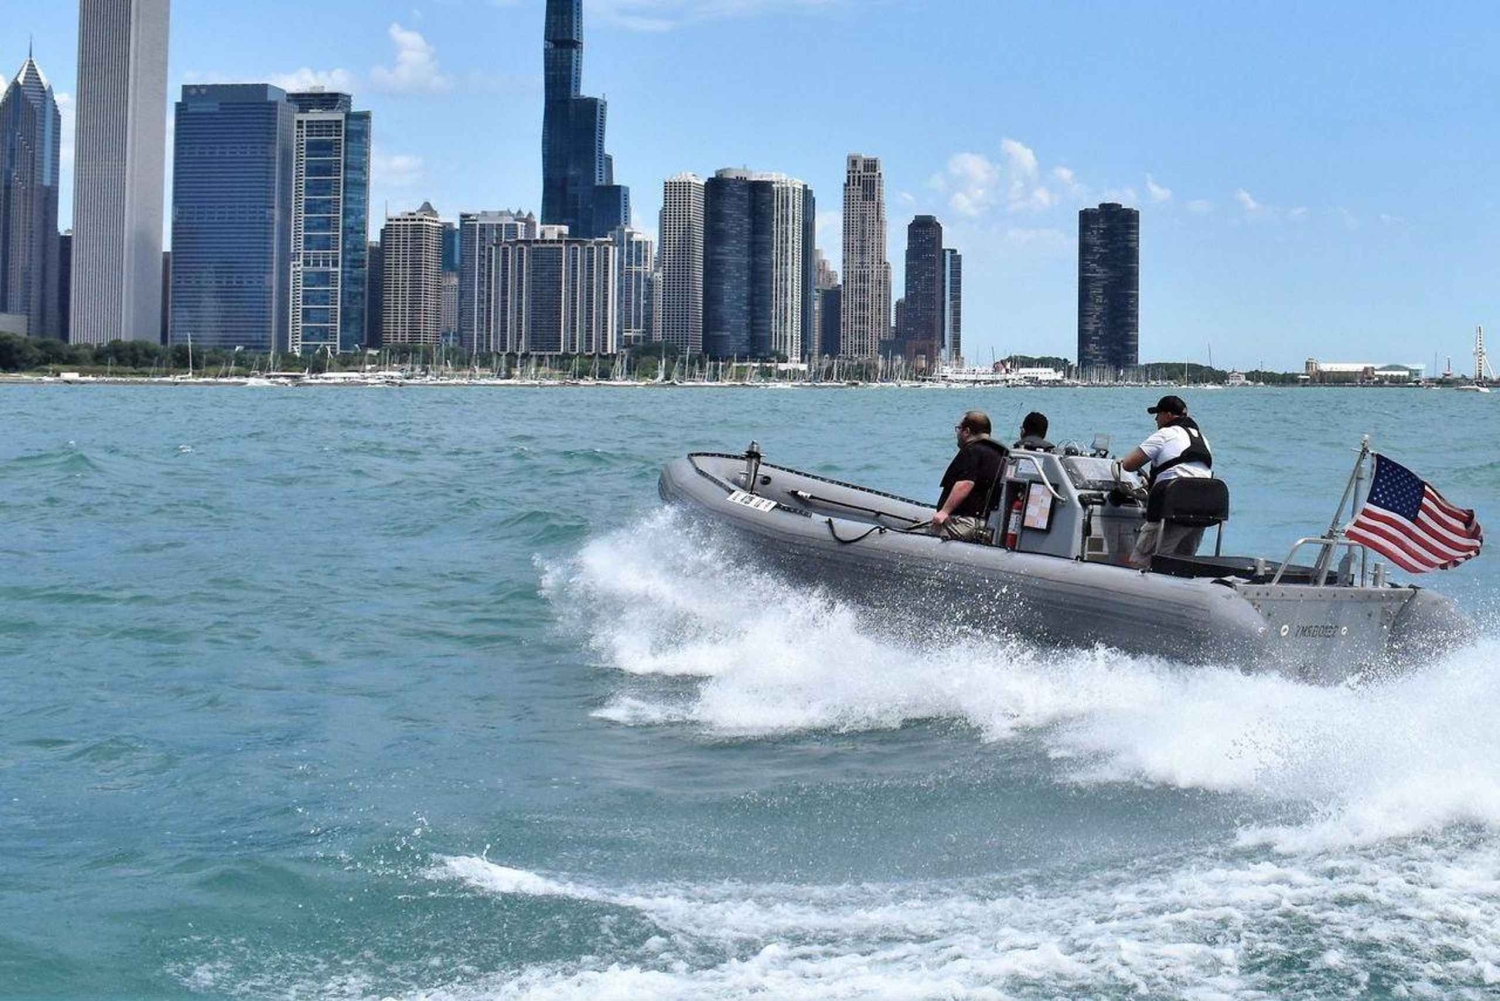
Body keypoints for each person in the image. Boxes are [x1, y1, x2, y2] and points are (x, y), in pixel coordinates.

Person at [1119, 395, 1214, 567]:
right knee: (1181, 564)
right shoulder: (1202, 438)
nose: (1156, 419)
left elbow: (1128, 464)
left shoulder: (1165, 434)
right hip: (1203, 511)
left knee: (1141, 563)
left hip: (1173, 508)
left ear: (1168, 415)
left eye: (1158, 414)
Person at [931, 411, 1008, 541]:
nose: (957, 433)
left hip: (964, 523)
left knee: (912, 537)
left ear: (966, 431)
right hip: (985, 525)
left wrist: (944, 512)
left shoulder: (972, 451)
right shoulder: (999, 455)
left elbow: (966, 483)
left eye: (958, 429)